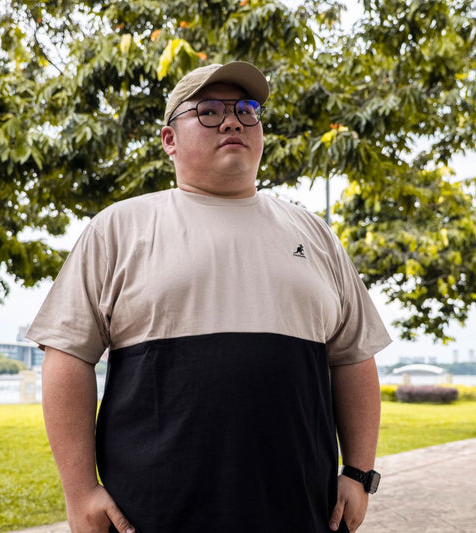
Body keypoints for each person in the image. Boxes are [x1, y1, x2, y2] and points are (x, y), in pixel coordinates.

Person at [27, 61, 391, 533]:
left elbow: (354, 358)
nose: (233, 120)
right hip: (152, 512)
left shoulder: (314, 234)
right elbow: (66, 356)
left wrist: (358, 474)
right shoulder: (118, 228)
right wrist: (79, 493)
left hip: (302, 509)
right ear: (169, 140)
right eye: (208, 111)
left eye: (246, 109)